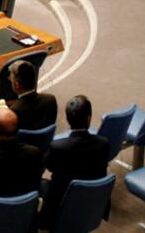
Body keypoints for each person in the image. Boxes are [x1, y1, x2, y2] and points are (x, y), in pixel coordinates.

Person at [41, 95, 110, 228]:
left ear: (68, 120)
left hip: (62, 201)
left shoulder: (58, 147)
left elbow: (48, 165)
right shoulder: (104, 143)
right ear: (89, 118)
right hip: (92, 200)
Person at [7, 60, 57, 129]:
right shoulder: (51, 99)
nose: (10, 80)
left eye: (11, 79)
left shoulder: (14, 111)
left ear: (17, 85)